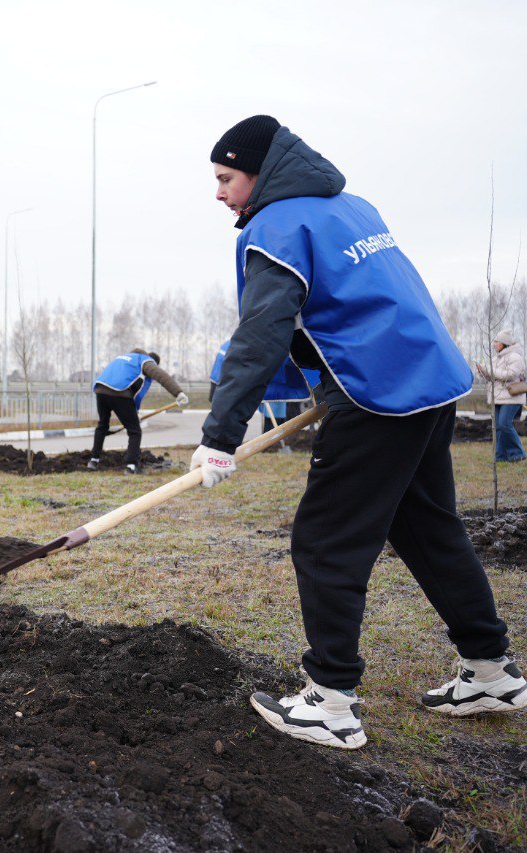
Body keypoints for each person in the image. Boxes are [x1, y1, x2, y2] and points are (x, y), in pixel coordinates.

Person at [193, 115, 525, 749]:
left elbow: (261, 333)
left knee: (325, 542)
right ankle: (491, 670)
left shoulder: (277, 228)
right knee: (429, 529)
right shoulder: (352, 208)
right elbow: (364, 302)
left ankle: (331, 701)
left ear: (260, 175)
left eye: (226, 178)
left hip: (378, 397)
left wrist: (220, 435)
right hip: (430, 382)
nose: (219, 193)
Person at [89, 349, 189, 473]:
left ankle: (93, 460)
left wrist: (133, 415)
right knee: (135, 431)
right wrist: (178, 392)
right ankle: (131, 466)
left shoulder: (126, 358)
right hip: (119, 392)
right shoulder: (146, 361)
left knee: (102, 425)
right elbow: (161, 375)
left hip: (100, 389)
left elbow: (131, 388)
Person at [475, 330, 526, 463]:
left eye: (496, 341)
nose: (494, 344)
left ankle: (518, 454)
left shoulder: (515, 357)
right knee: (498, 426)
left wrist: (491, 370)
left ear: (504, 343)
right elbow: (493, 377)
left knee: (504, 424)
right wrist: (483, 371)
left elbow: (511, 375)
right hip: (498, 397)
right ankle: (501, 457)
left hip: (512, 397)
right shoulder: (496, 358)